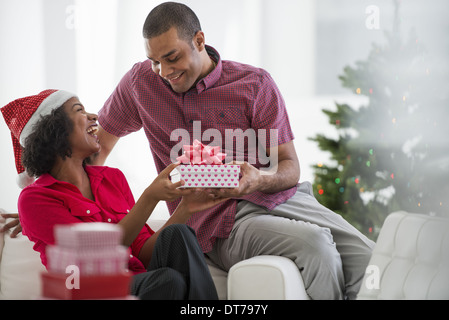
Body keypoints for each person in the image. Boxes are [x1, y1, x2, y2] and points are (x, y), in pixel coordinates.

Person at [1, 89, 221, 300]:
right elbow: (94, 258)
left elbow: (142, 251)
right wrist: (150, 197)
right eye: (80, 110)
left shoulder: (112, 178)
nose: (94, 116)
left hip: (141, 284)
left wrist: (186, 207)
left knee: (178, 234)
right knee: (167, 281)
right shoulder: (35, 199)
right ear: (55, 131)